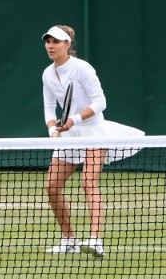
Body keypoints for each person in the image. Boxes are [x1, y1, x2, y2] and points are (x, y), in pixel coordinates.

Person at [41, 25, 144, 258]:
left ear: (67, 45)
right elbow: (49, 106)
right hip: (67, 135)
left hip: (94, 131)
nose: (50, 45)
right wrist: (52, 129)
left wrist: (73, 120)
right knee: (51, 187)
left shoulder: (82, 69)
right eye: (48, 41)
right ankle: (69, 240)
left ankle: (96, 240)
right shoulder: (48, 73)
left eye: (56, 42)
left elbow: (100, 102)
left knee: (88, 182)